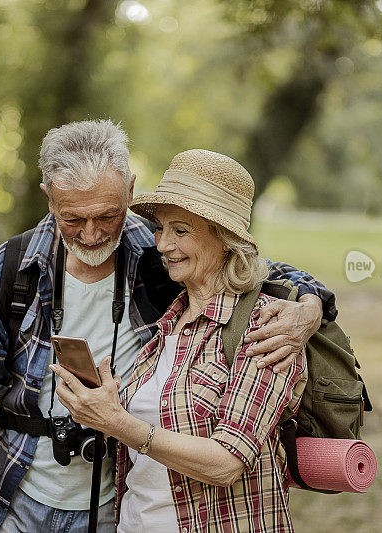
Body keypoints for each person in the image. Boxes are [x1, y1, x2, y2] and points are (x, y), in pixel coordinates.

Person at [0, 121, 336, 533]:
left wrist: (311, 304)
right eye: (73, 219)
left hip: (112, 498)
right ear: (49, 198)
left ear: (130, 190)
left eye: (108, 214)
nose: (92, 233)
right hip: (13, 490)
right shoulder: (9, 267)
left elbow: (248, 266)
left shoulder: (156, 253)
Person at [53, 148, 308, 532]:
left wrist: (118, 422)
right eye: (161, 229)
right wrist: (98, 406)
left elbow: (226, 464)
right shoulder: (168, 323)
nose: (162, 245)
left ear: (224, 239)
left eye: (181, 231)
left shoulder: (266, 326)